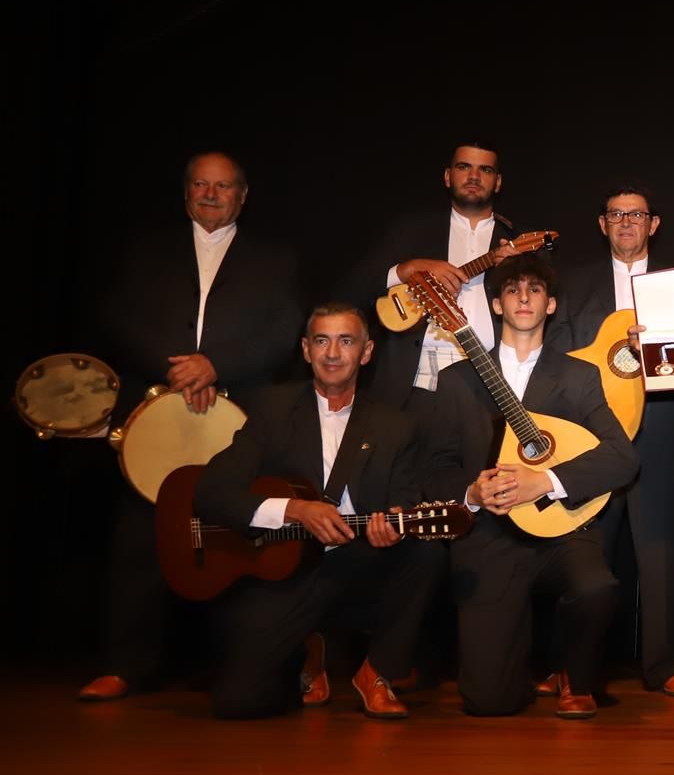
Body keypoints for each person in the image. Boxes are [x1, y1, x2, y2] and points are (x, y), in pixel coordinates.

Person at [81, 152, 300, 701]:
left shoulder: (275, 260)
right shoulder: (144, 253)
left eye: (222, 186)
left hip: (237, 416)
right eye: (200, 185)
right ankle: (126, 664)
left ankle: (230, 664)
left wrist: (216, 363)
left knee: (232, 538)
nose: (210, 194)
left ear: (242, 196)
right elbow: (115, 317)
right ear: (185, 194)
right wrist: (178, 366)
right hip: (154, 415)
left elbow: (285, 330)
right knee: (138, 539)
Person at [194, 305, 441, 719]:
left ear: (366, 352)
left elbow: (406, 502)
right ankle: (309, 650)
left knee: (426, 552)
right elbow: (211, 492)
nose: (332, 353)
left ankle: (377, 671)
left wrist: (394, 525)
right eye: (322, 341)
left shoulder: (396, 425)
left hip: (359, 566)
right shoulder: (272, 410)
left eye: (346, 341)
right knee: (239, 702)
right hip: (286, 570)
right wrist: (293, 509)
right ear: (306, 350)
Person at [425, 254, 638, 718]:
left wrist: (546, 480)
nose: (523, 297)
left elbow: (623, 457)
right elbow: (437, 465)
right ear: (497, 305)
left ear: (552, 304)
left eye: (535, 290)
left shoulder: (580, 377)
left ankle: (575, 677)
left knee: (597, 587)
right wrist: (470, 494)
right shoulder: (457, 380)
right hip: (489, 539)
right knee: (487, 702)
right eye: (512, 290)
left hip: (562, 533)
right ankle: (511, 670)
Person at [547, 184, 674, 699]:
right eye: (616, 215)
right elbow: (558, 361)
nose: (627, 223)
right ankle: (580, 669)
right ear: (602, 225)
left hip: (663, 427)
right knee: (590, 549)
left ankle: (668, 664)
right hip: (592, 437)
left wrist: (659, 347)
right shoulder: (574, 286)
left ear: (654, 225)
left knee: (663, 551)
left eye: (636, 215)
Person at [357, 143, 520, 416]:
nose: (474, 176)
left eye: (485, 169)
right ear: (447, 176)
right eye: (464, 167)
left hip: (488, 381)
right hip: (416, 379)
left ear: (498, 182)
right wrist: (406, 269)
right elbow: (354, 289)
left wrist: (518, 270)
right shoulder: (411, 231)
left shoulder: (515, 241)